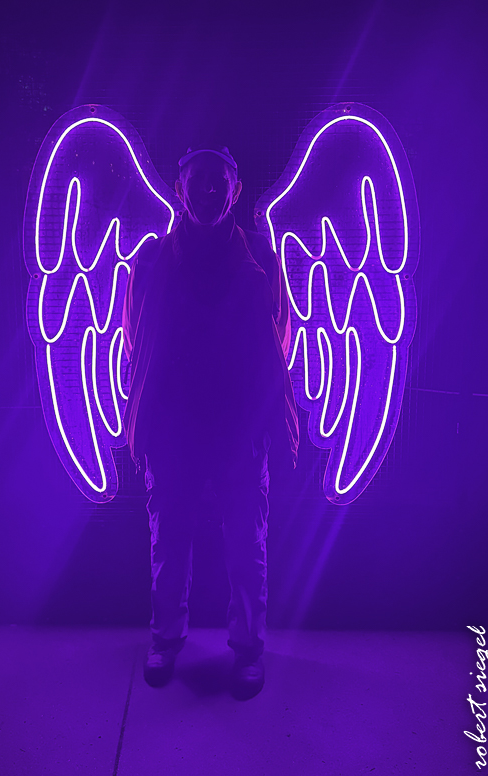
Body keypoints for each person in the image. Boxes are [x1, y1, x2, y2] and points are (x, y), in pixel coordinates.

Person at [122, 144, 298, 700]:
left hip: (237, 427)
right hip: (176, 426)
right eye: (197, 179)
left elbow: (278, 337)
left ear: (235, 190)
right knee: (170, 540)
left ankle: (245, 648)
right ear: (179, 189)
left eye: (216, 181)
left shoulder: (261, 259)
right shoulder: (155, 261)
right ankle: (168, 639)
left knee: (244, 544)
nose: (206, 190)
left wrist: (267, 420)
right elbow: (137, 339)